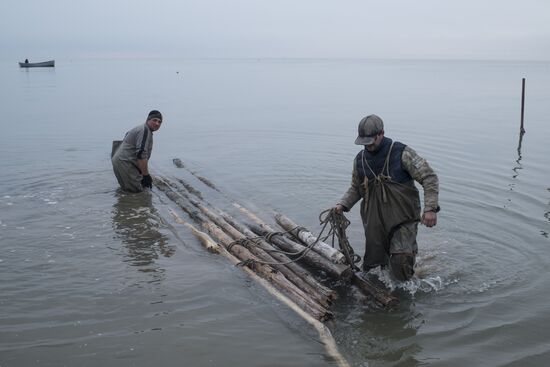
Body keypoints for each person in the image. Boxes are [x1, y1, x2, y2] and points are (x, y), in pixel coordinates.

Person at [334, 114, 439, 281]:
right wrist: (342, 204)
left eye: (371, 141)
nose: (367, 146)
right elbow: (356, 187)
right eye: (364, 143)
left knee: (401, 263)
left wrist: (430, 209)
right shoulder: (360, 160)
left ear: (381, 134)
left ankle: (407, 288)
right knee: (373, 268)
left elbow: (429, 177)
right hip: (374, 224)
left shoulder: (402, 153)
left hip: (403, 219)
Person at [111, 110, 163, 192]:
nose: (157, 123)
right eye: (154, 120)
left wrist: (141, 173)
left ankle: (123, 203)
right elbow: (141, 154)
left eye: (160, 122)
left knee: (126, 191)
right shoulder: (145, 130)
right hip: (125, 163)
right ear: (148, 120)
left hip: (118, 161)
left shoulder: (139, 128)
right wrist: (146, 175)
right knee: (137, 192)